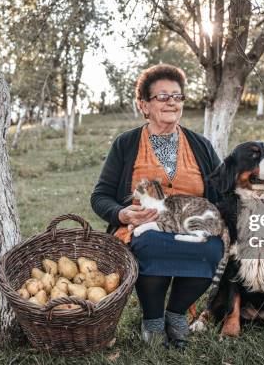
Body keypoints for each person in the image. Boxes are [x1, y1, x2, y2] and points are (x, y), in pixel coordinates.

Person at [90, 64, 222, 348]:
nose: (172, 101)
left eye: (177, 96)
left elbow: (222, 192)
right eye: (162, 97)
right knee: (152, 243)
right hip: (142, 229)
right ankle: (152, 321)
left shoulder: (202, 146)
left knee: (212, 248)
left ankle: (175, 314)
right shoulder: (125, 144)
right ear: (144, 105)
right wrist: (121, 213)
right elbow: (100, 196)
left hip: (192, 226)